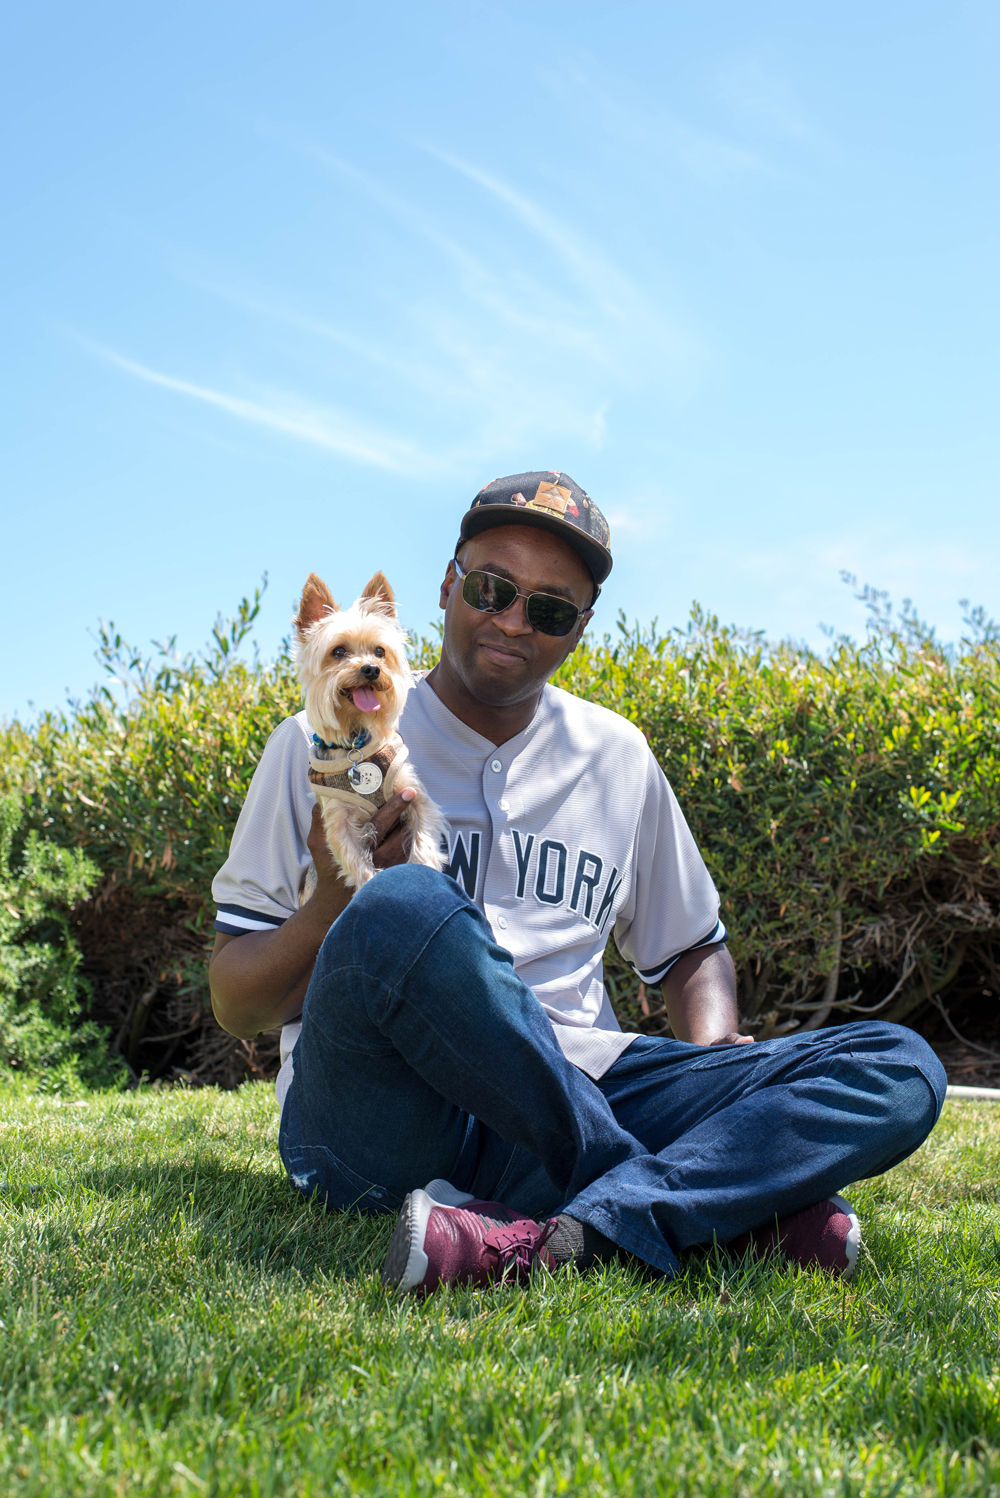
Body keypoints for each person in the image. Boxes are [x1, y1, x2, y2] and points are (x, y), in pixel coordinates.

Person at [209, 471, 946, 1293]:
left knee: (900, 1066)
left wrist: (711, 1060)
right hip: (388, 1113)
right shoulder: (317, 745)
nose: (513, 620)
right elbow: (236, 1003)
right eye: (492, 589)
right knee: (408, 900)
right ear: (449, 587)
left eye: (551, 610)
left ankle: (565, 1234)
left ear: (580, 629)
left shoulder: (617, 754)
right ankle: (704, 1202)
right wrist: (333, 906)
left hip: (587, 1075)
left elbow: (691, 947)